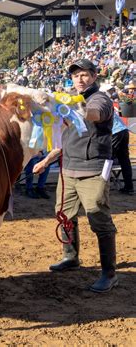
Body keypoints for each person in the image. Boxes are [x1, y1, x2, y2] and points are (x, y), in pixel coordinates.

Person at [34, 59, 118, 293]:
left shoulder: (99, 99)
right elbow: (64, 140)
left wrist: (72, 105)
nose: (79, 80)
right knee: (64, 216)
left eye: (84, 75)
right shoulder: (68, 101)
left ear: (93, 77)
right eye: (76, 76)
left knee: (99, 220)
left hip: (93, 170)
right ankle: (71, 256)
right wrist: (45, 160)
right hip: (68, 170)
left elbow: (95, 114)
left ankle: (109, 273)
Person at [112, 111, 134, 194]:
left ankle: (102, 188)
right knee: (125, 160)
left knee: (106, 158)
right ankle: (129, 187)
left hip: (115, 132)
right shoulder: (105, 104)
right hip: (123, 130)